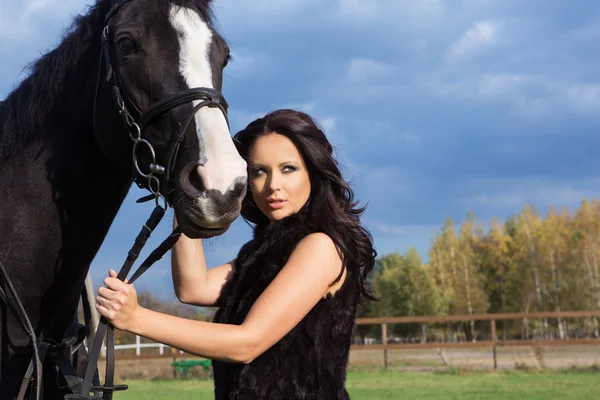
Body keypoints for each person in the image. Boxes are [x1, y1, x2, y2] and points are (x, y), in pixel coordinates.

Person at [95, 109, 377, 399]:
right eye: (259, 171)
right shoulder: (264, 250)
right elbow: (194, 288)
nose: (273, 186)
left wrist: (136, 319)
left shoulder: (320, 246)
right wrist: (186, 195)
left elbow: (247, 343)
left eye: (288, 169)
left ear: (314, 173)